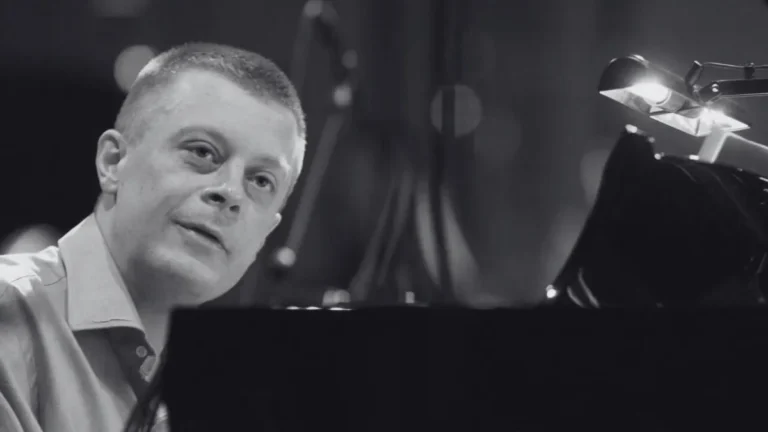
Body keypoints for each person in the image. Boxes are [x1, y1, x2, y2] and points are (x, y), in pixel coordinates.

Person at [0, 42, 307, 431]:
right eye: (202, 152)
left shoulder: (242, 389)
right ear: (113, 162)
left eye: (261, 181)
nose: (231, 193)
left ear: (267, 231)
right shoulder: (10, 313)